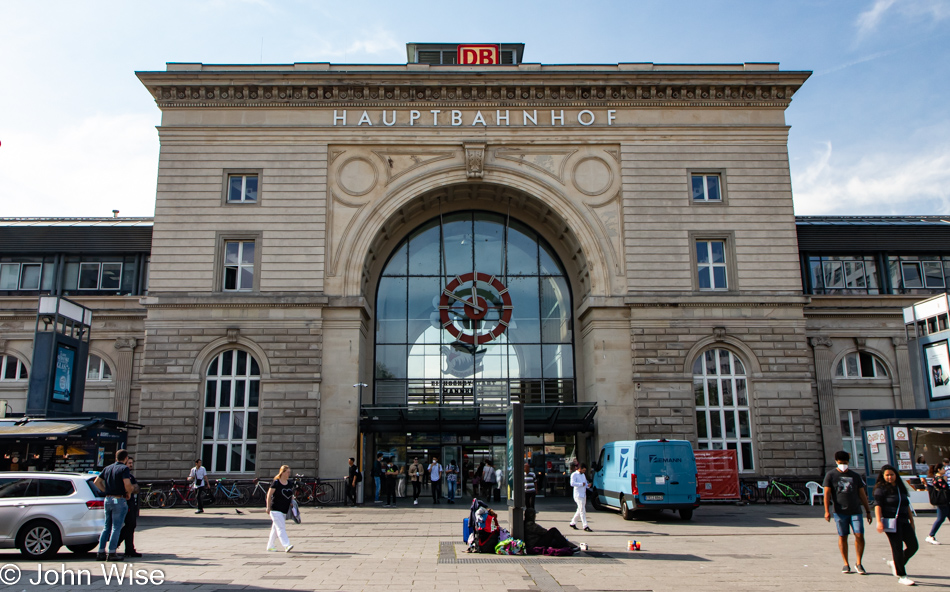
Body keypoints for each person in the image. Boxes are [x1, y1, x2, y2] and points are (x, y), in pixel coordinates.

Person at [822, 450, 872, 574]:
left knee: (859, 535)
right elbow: (827, 494)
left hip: (855, 510)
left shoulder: (855, 476)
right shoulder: (831, 475)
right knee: (843, 536)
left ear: (848, 462)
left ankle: (859, 562)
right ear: (836, 462)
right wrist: (826, 511)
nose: (843, 465)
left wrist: (868, 510)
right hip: (840, 511)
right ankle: (845, 563)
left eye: (845, 462)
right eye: (840, 462)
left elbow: (862, 494)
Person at [873, 464, 918, 586]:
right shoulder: (880, 489)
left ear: (896, 475)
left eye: (892, 475)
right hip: (891, 521)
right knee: (897, 547)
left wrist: (912, 521)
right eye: (887, 475)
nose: (889, 477)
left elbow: (906, 504)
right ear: (883, 476)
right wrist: (879, 521)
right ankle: (902, 575)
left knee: (913, 546)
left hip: (904, 521)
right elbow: (877, 506)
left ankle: (896, 563)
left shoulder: (900, 487)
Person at [93, 449, 134, 561]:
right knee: (116, 527)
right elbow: (127, 484)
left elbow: (96, 481)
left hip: (107, 499)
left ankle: (100, 552)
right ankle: (112, 552)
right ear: (126, 459)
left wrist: (106, 490)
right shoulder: (124, 468)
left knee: (106, 527)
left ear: (116, 457)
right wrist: (129, 492)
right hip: (118, 499)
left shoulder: (108, 468)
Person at [266, 465, 295, 553]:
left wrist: (292, 501)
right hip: (275, 509)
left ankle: (270, 546)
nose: (289, 474)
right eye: (287, 472)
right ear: (282, 472)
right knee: (281, 528)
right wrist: (268, 507)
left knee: (275, 529)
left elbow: (291, 495)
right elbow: (269, 495)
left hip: (284, 509)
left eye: (289, 472)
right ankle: (286, 545)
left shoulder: (289, 483)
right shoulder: (276, 483)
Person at [118, 455, 142, 558]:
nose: (131, 465)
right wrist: (131, 488)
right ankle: (117, 541)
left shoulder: (130, 476)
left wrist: (132, 488)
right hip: (125, 502)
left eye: (132, 463)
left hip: (131, 502)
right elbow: (131, 488)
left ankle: (129, 549)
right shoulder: (124, 475)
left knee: (131, 526)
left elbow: (136, 488)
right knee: (130, 525)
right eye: (129, 463)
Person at [925, 463, 949, 545]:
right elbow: (945, 489)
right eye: (943, 468)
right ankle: (931, 535)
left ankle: (931, 535)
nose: (944, 470)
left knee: (942, 518)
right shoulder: (939, 479)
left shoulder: (938, 478)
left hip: (945, 502)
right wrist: (945, 481)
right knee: (940, 519)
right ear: (939, 470)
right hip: (943, 502)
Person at [569, 463, 592, 532]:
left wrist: (588, 485)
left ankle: (573, 522)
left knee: (580, 509)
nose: (584, 472)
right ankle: (585, 525)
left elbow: (585, 483)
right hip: (578, 495)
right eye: (583, 470)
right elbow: (572, 483)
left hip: (583, 494)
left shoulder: (583, 475)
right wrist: (581, 484)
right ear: (579, 469)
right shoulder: (574, 474)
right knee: (582, 510)